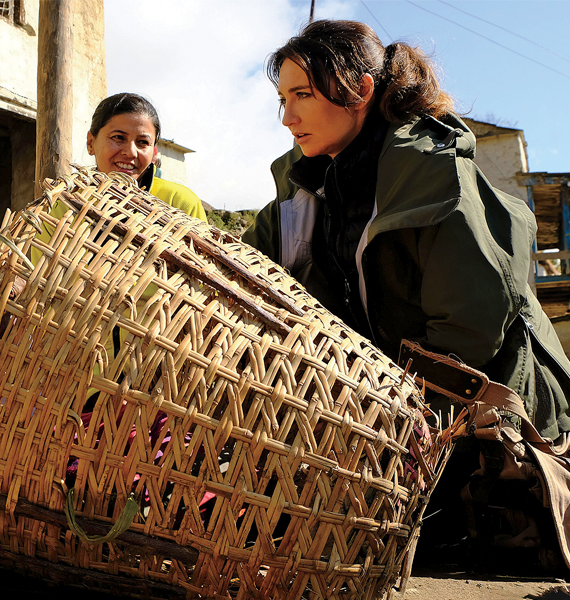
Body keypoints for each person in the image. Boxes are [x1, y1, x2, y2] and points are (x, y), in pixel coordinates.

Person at [243, 19, 570, 563]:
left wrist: (387, 431)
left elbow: (471, 329)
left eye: (302, 94)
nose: (288, 116)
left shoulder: (432, 173)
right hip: (390, 413)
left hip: (482, 408)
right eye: (283, 98)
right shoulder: (305, 190)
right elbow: (247, 272)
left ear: (360, 91)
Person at [86, 93, 206, 221]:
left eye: (143, 142)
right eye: (118, 137)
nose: (131, 152)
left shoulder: (181, 204)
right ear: (91, 143)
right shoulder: (67, 200)